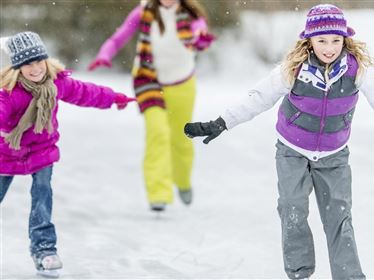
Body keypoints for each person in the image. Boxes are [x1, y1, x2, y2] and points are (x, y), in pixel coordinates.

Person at [184, 4, 373, 280]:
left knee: (339, 219)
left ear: (345, 39)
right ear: (309, 40)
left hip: (334, 155)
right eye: (322, 41)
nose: (330, 47)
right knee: (292, 208)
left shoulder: (357, 70)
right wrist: (221, 122)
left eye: (336, 40)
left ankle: (350, 277)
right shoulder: (294, 68)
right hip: (292, 151)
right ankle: (299, 273)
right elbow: (258, 98)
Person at [0, 31, 135, 278]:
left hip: (42, 151)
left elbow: (85, 92)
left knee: (42, 197)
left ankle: (44, 250)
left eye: (38, 60)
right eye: (27, 63)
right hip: (7, 153)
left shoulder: (55, 82)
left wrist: (113, 97)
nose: (35, 68)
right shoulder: (9, 92)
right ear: (17, 67)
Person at [89, 0, 215, 212]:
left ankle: (182, 181)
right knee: (158, 133)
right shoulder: (143, 11)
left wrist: (201, 39)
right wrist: (104, 54)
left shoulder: (191, 15)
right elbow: (118, 38)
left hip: (182, 83)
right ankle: (159, 194)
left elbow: (199, 34)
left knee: (180, 138)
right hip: (148, 80)